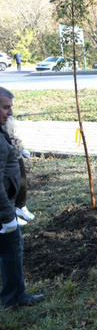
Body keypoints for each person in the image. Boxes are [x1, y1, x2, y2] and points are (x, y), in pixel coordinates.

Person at [0, 87, 44, 308]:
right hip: (3, 209)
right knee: (11, 250)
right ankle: (14, 298)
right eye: (5, 107)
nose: (9, 112)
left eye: (11, 108)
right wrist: (8, 216)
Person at [5, 116, 33, 226]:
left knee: (22, 182)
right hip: (5, 157)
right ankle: (11, 215)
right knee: (8, 186)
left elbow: (14, 134)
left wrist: (22, 148)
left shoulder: (9, 117)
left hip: (16, 155)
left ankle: (21, 206)